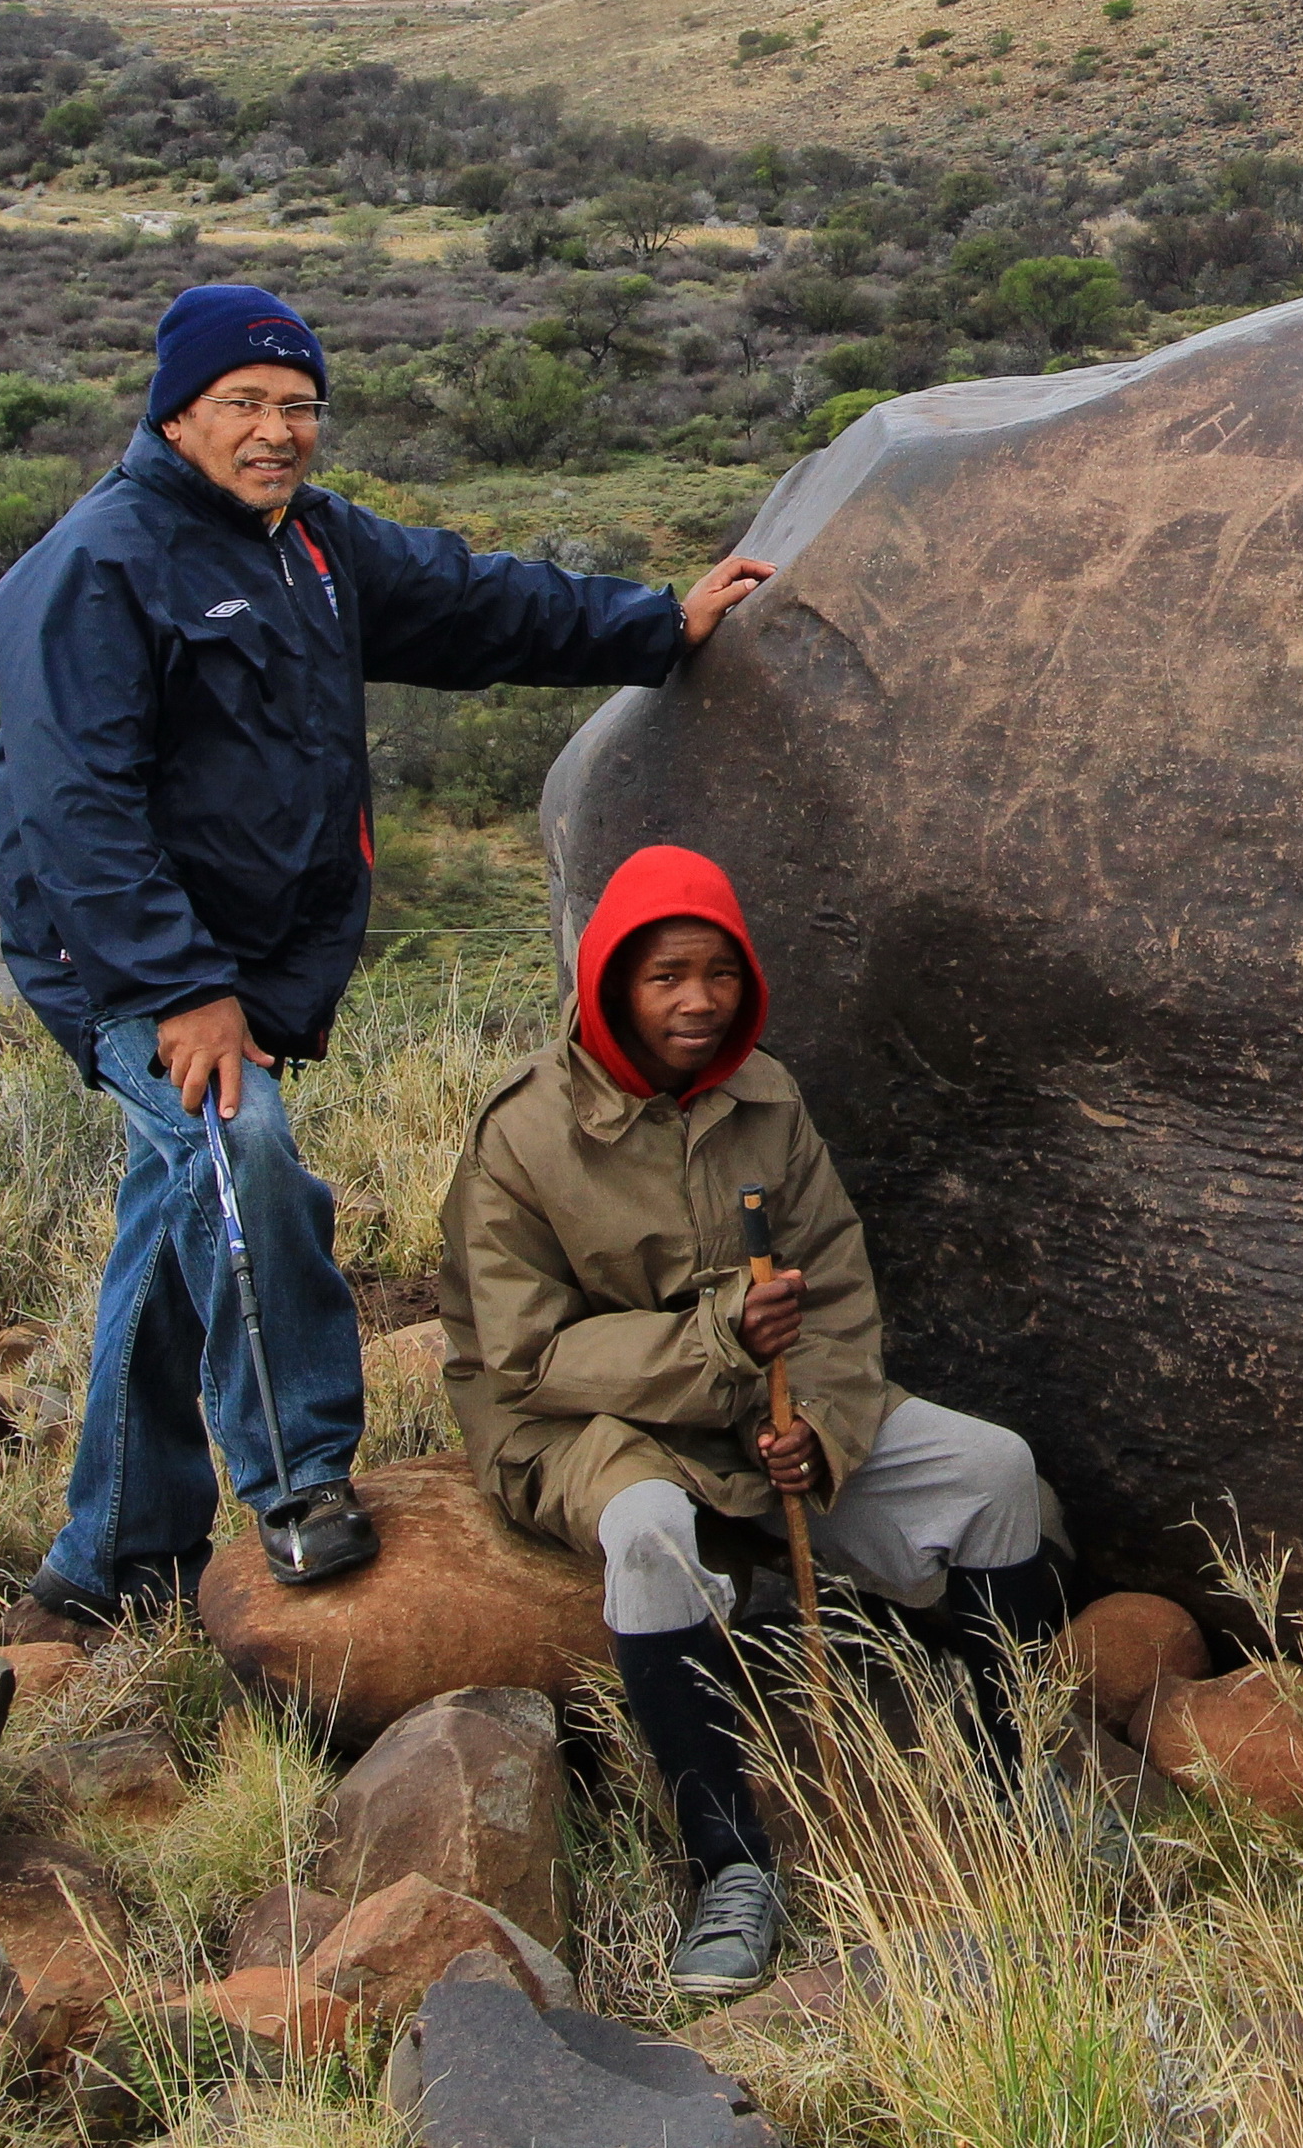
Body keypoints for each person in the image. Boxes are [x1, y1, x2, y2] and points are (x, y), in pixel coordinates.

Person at [0, 282, 776, 1627]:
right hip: (129, 955)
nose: (278, 430)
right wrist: (181, 993)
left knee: (170, 1221)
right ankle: (296, 1477)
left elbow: (479, 606)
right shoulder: (99, 566)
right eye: (246, 403)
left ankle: (107, 1554)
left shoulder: (313, 547)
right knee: (242, 1161)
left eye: (299, 406)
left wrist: (658, 624)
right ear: (177, 412)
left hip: (247, 955)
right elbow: (78, 808)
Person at [439, 842, 1066, 1986]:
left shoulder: (764, 1098)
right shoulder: (522, 1133)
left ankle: (1016, 1788)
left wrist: (817, 1425)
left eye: (718, 971)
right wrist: (717, 1339)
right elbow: (525, 1354)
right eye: (665, 974)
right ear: (609, 984)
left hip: (757, 1405)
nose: (696, 999)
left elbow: (827, 1284)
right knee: (646, 1534)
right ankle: (730, 1867)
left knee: (996, 1470)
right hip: (582, 1418)